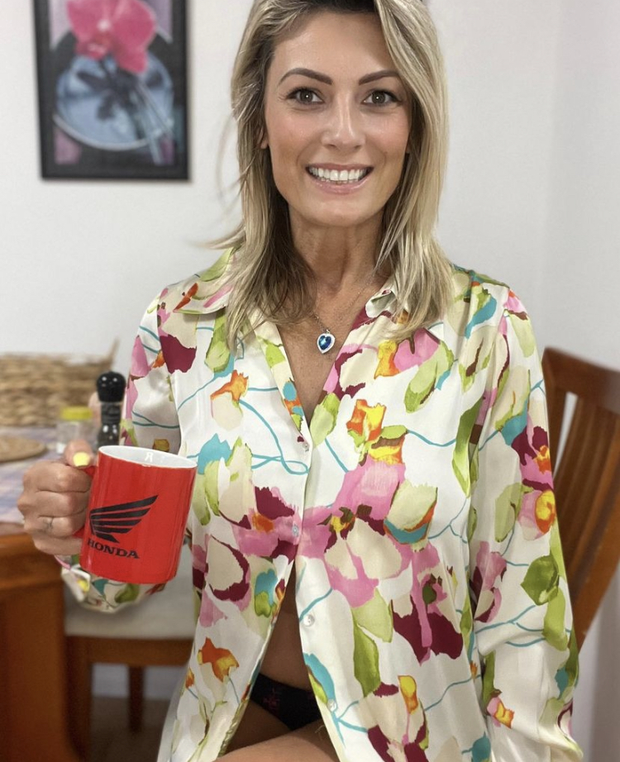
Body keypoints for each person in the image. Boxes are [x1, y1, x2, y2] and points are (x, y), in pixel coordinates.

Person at [18, 1, 583, 760]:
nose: (342, 132)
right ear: (261, 118)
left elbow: (524, 599)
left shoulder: (484, 328)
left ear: (414, 124)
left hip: (413, 725)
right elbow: (119, 583)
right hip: (228, 707)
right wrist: (79, 525)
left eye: (379, 96)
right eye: (307, 94)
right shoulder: (183, 325)